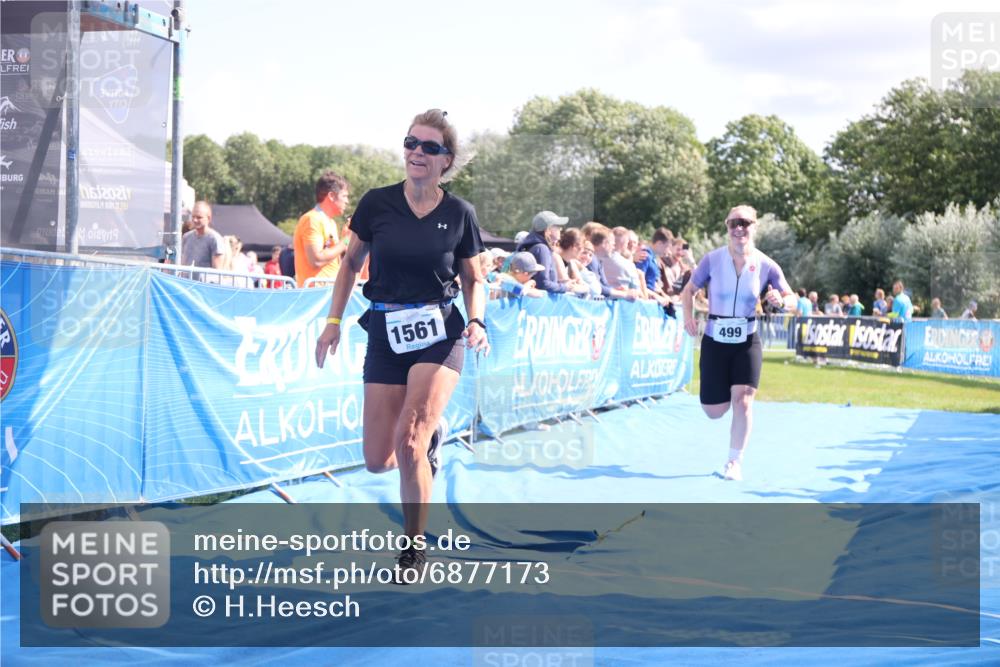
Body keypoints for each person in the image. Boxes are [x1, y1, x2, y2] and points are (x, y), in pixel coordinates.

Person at [314, 109, 488, 580]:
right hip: (386, 331)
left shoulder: (459, 214)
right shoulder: (376, 204)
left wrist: (477, 321)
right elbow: (350, 265)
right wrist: (333, 321)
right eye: (412, 143)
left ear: (445, 160)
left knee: (409, 441)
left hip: (440, 331)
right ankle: (432, 437)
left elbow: (475, 278)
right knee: (378, 459)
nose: (417, 152)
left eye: (429, 147)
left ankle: (413, 548)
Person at [680, 205, 795, 481]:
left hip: (746, 340)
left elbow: (791, 298)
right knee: (714, 411)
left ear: (755, 226)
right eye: (734, 223)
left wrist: (782, 301)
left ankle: (734, 462)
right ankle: (724, 397)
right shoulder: (712, 260)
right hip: (715, 340)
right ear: (727, 226)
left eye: (745, 223)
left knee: (743, 401)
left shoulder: (766, 264)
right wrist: (688, 317)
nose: (739, 229)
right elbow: (689, 291)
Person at [294, 171, 350, 287]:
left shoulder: (331, 223)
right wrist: (345, 241)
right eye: (344, 196)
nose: (347, 201)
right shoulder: (312, 219)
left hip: (327, 294)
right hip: (314, 296)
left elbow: (333, 258)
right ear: (331, 196)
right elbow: (316, 260)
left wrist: (348, 240)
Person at [516, 211, 589, 295]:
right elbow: (543, 284)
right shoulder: (542, 248)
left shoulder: (538, 247)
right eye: (558, 227)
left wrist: (563, 285)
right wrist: (566, 287)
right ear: (549, 230)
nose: (560, 230)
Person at [180, 201, 225, 280]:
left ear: (209, 218)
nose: (195, 220)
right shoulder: (186, 237)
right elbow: (182, 263)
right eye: (193, 216)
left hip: (203, 288)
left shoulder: (215, 239)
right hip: (185, 285)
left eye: (199, 217)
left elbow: (217, 271)